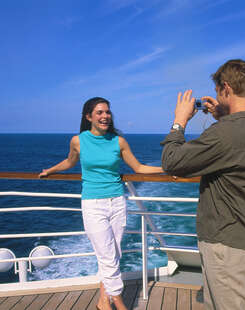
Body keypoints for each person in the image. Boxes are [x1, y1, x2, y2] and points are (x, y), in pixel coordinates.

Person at [161, 59, 245, 310]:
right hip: (241, 232)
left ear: (226, 88)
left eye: (216, 92)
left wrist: (179, 121)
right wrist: (223, 115)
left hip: (225, 240)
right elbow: (232, 151)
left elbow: (171, 162)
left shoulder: (226, 133)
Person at [39, 97, 164, 310]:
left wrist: (169, 169)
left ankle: (102, 301)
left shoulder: (119, 141)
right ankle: (119, 301)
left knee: (112, 254)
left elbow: (139, 168)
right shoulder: (78, 141)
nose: (105, 116)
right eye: (99, 112)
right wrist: (50, 170)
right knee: (107, 255)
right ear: (88, 117)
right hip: (93, 204)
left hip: (117, 202)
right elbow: (70, 161)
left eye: (107, 112)